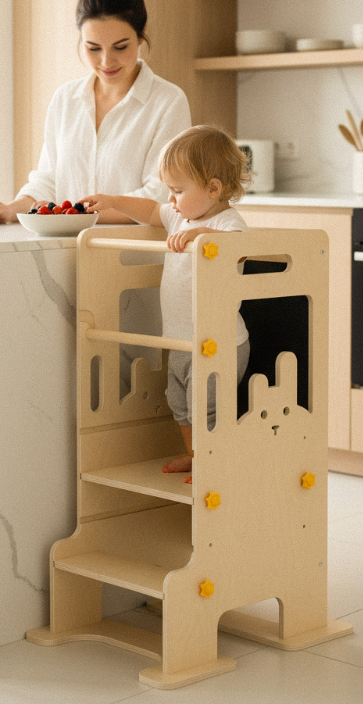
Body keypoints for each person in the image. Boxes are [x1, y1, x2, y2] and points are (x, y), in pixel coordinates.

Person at [80, 125, 252, 483]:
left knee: (207, 408)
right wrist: (112, 200)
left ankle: (212, 460)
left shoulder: (226, 222)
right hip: (181, 341)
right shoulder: (178, 215)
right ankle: (196, 455)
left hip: (219, 343)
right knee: (180, 403)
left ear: (214, 189)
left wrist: (202, 235)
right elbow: (148, 210)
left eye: (177, 190)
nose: (170, 200)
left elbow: (237, 250)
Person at [0, 0, 191, 226]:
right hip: (65, 253)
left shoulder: (167, 102)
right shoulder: (66, 99)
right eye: (93, 48)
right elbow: (48, 181)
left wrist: (73, 215)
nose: (106, 61)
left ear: (141, 34)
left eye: (120, 47)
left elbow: (160, 197)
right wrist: (11, 210)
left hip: (134, 258)